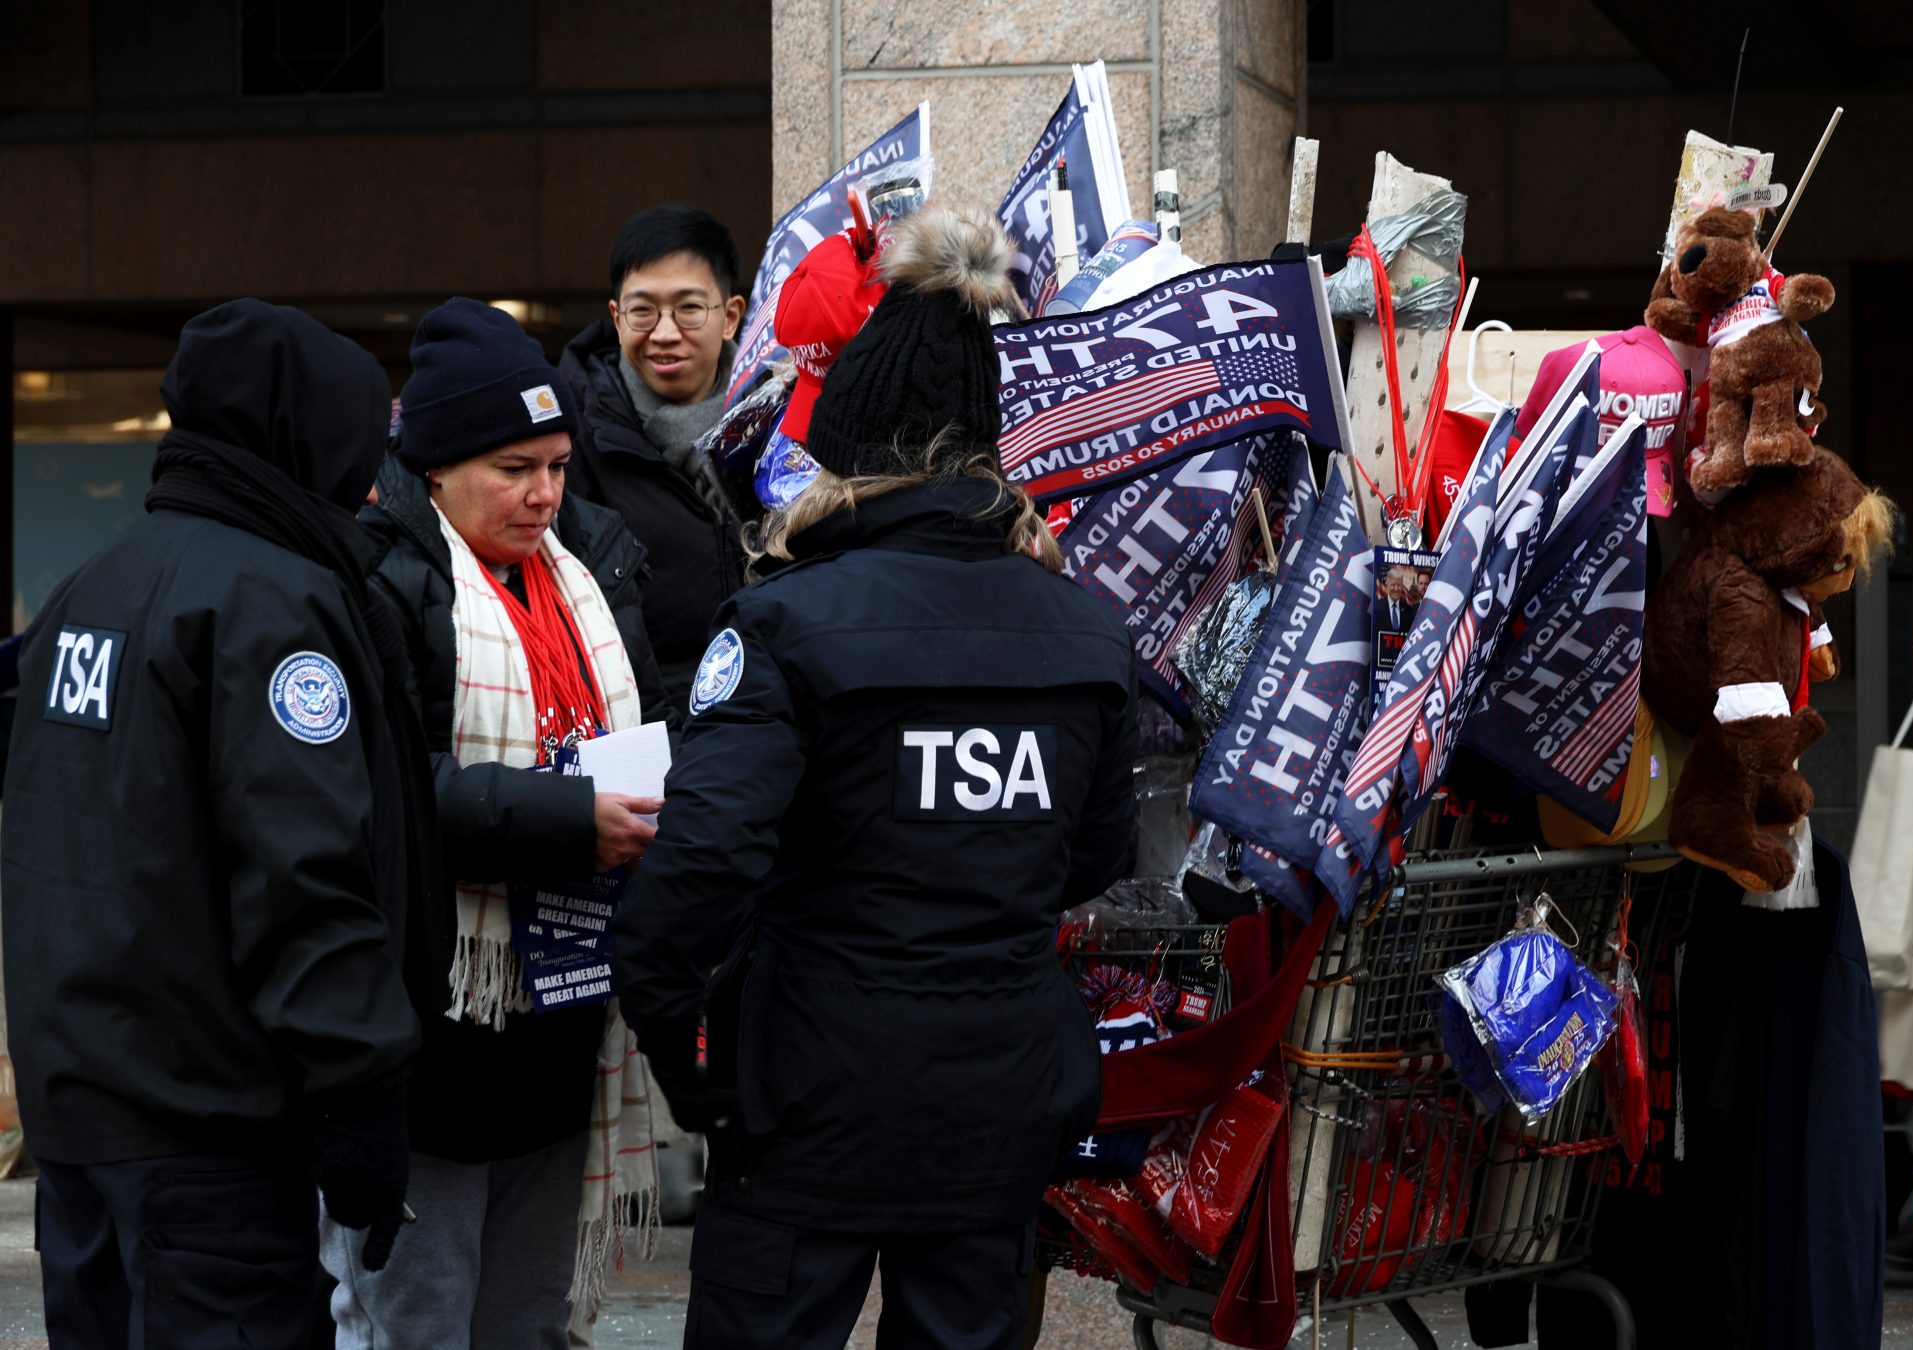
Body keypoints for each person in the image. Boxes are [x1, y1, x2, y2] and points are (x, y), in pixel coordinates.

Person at [614, 205, 1139, 1350]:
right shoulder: (1086, 634)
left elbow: (698, 864)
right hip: (1000, 1095)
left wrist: (675, 1044)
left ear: (844, 448)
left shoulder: (785, 621)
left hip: (810, 1095)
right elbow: (1096, 861)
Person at [2, 299, 431, 1349]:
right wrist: (363, 1089)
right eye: (357, 440)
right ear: (298, 435)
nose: (372, 478)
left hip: (85, 1117)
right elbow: (301, 871)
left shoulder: (90, 589)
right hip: (210, 1140)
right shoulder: (273, 602)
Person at [323, 298, 673, 1347]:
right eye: (514, 468)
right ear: (434, 467)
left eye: (558, 465)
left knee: (528, 1322)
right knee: (412, 1324)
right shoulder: (374, 576)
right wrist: (567, 817)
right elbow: (376, 787)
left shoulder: (595, 566)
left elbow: (647, 731)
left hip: (562, 1021)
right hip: (431, 1032)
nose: (544, 495)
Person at [560, 204, 750, 708]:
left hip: (773, 705)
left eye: (688, 308)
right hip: (640, 720)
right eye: (643, 311)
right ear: (617, 317)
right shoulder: (569, 435)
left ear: (729, 316)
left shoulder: (778, 420)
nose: (665, 333)